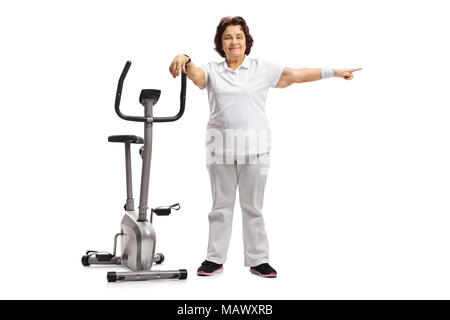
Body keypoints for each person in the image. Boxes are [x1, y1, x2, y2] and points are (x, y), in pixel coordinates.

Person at [169, 16, 362, 278]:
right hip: (220, 150)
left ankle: (258, 260)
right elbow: (196, 76)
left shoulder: (261, 68)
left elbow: (295, 75)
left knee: (252, 207)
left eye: (238, 36)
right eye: (228, 37)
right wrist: (185, 57)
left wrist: (334, 72)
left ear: (246, 42)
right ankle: (214, 259)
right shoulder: (212, 71)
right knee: (220, 206)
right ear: (221, 44)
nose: (233, 41)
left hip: (256, 150)